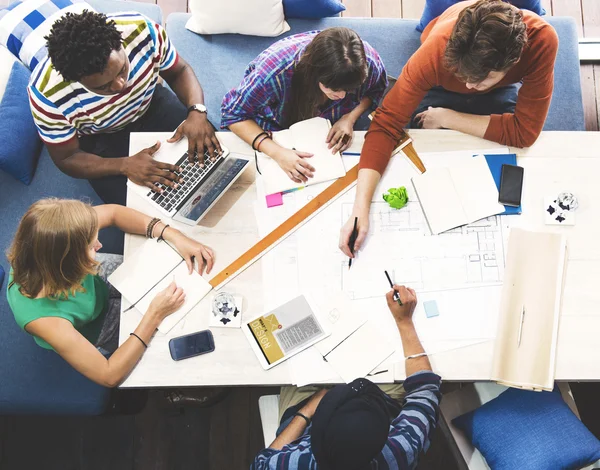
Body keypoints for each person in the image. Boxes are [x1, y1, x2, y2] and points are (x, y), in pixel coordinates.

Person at [339, 0, 558, 256]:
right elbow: (386, 123)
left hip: (496, 91)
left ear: (513, 61)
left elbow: (525, 132)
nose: (469, 88)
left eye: (480, 80)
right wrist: (360, 209)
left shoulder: (542, 40)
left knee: (507, 164)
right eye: (465, 79)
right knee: (415, 138)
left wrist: (447, 118)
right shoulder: (437, 50)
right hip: (441, 79)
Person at [6, 199, 215, 388]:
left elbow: (114, 213)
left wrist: (174, 235)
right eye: (91, 247)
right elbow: (109, 375)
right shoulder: (43, 320)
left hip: (93, 283)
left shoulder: (55, 236)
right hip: (95, 325)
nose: (100, 245)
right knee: (168, 333)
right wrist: (154, 315)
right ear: (67, 264)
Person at [29, 10, 222, 206]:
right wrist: (124, 165)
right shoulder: (47, 94)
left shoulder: (142, 31)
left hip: (150, 105)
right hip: (101, 139)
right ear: (75, 80)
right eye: (103, 87)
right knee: (145, 213)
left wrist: (197, 111)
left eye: (122, 70)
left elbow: (179, 70)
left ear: (120, 43)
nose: (121, 86)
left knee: (216, 157)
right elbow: (67, 158)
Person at [251, 286, 441, 470]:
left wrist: (307, 411)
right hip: (369, 409)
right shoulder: (400, 451)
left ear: (315, 441)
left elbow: (260, 464)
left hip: (308, 411)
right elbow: (424, 390)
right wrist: (404, 321)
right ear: (384, 435)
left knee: (291, 366)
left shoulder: (300, 461)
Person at [221, 27, 387, 185]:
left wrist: (349, 118)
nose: (342, 96)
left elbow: (375, 90)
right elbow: (233, 114)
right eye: (335, 89)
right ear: (315, 75)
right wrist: (277, 152)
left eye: (350, 90)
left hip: (329, 131)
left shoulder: (369, 62)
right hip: (278, 124)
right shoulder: (272, 74)